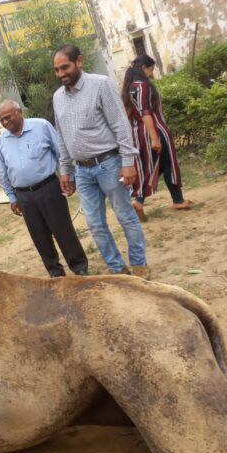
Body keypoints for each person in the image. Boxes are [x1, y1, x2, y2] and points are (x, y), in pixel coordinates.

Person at [52, 44, 149, 278]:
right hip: (82, 171)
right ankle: (117, 270)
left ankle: (139, 265)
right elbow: (62, 136)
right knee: (95, 224)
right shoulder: (57, 97)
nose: (61, 73)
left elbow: (120, 125)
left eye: (65, 67)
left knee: (125, 216)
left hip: (110, 164)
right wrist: (65, 170)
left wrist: (128, 161)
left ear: (79, 61)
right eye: (56, 70)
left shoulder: (101, 85)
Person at [0, 100, 88, 277]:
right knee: (40, 237)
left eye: (8, 118)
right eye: (2, 120)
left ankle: (80, 268)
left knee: (63, 230)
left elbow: (61, 153)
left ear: (19, 112)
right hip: (24, 196)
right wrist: (12, 197)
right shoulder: (1, 142)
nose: (5, 123)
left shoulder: (41, 126)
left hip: (49, 188)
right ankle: (55, 273)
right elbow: (2, 172)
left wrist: (69, 176)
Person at [121, 54, 194, 222]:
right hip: (155, 129)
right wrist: (155, 137)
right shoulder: (142, 86)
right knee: (168, 164)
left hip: (139, 132)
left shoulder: (129, 87)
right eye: (151, 69)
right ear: (144, 68)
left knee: (155, 166)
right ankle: (177, 200)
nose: (151, 74)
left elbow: (130, 114)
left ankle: (142, 201)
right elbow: (146, 112)